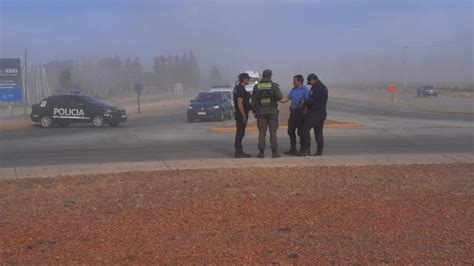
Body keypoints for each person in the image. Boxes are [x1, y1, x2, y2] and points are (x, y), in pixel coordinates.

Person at [252, 69, 283, 158]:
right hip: (272, 112)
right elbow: (279, 97)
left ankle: (261, 153)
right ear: (270, 76)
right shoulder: (273, 86)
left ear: (263, 75)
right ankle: (274, 152)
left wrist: (255, 111)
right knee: (273, 132)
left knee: (262, 133)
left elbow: (254, 101)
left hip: (261, 112)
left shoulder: (257, 87)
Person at [298, 73, 328, 156]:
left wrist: (304, 102)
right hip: (321, 113)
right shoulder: (323, 87)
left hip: (315, 114)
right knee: (318, 133)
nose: (309, 84)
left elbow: (312, 100)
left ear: (312, 80)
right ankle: (319, 151)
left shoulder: (316, 87)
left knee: (304, 130)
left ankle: (306, 150)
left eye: (309, 82)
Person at [279, 74, 309, 155]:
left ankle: (303, 149)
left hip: (301, 113)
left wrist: (305, 112)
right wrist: (277, 98)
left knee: (300, 132)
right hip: (293, 113)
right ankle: (293, 148)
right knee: (291, 131)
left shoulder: (305, 90)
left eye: (294, 81)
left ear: (299, 81)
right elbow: (286, 99)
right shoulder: (293, 90)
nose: (293, 82)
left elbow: (308, 102)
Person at [233, 73, 252, 158]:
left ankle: (239, 151)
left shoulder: (238, 88)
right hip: (241, 114)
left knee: (240, 133)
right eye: (247, 79)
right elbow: (239, 103)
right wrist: (244, 115)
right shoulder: (240, 89)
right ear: (243, 79)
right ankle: (238, 152)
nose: (248, 80)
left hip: (239, 113)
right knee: (240, 133)